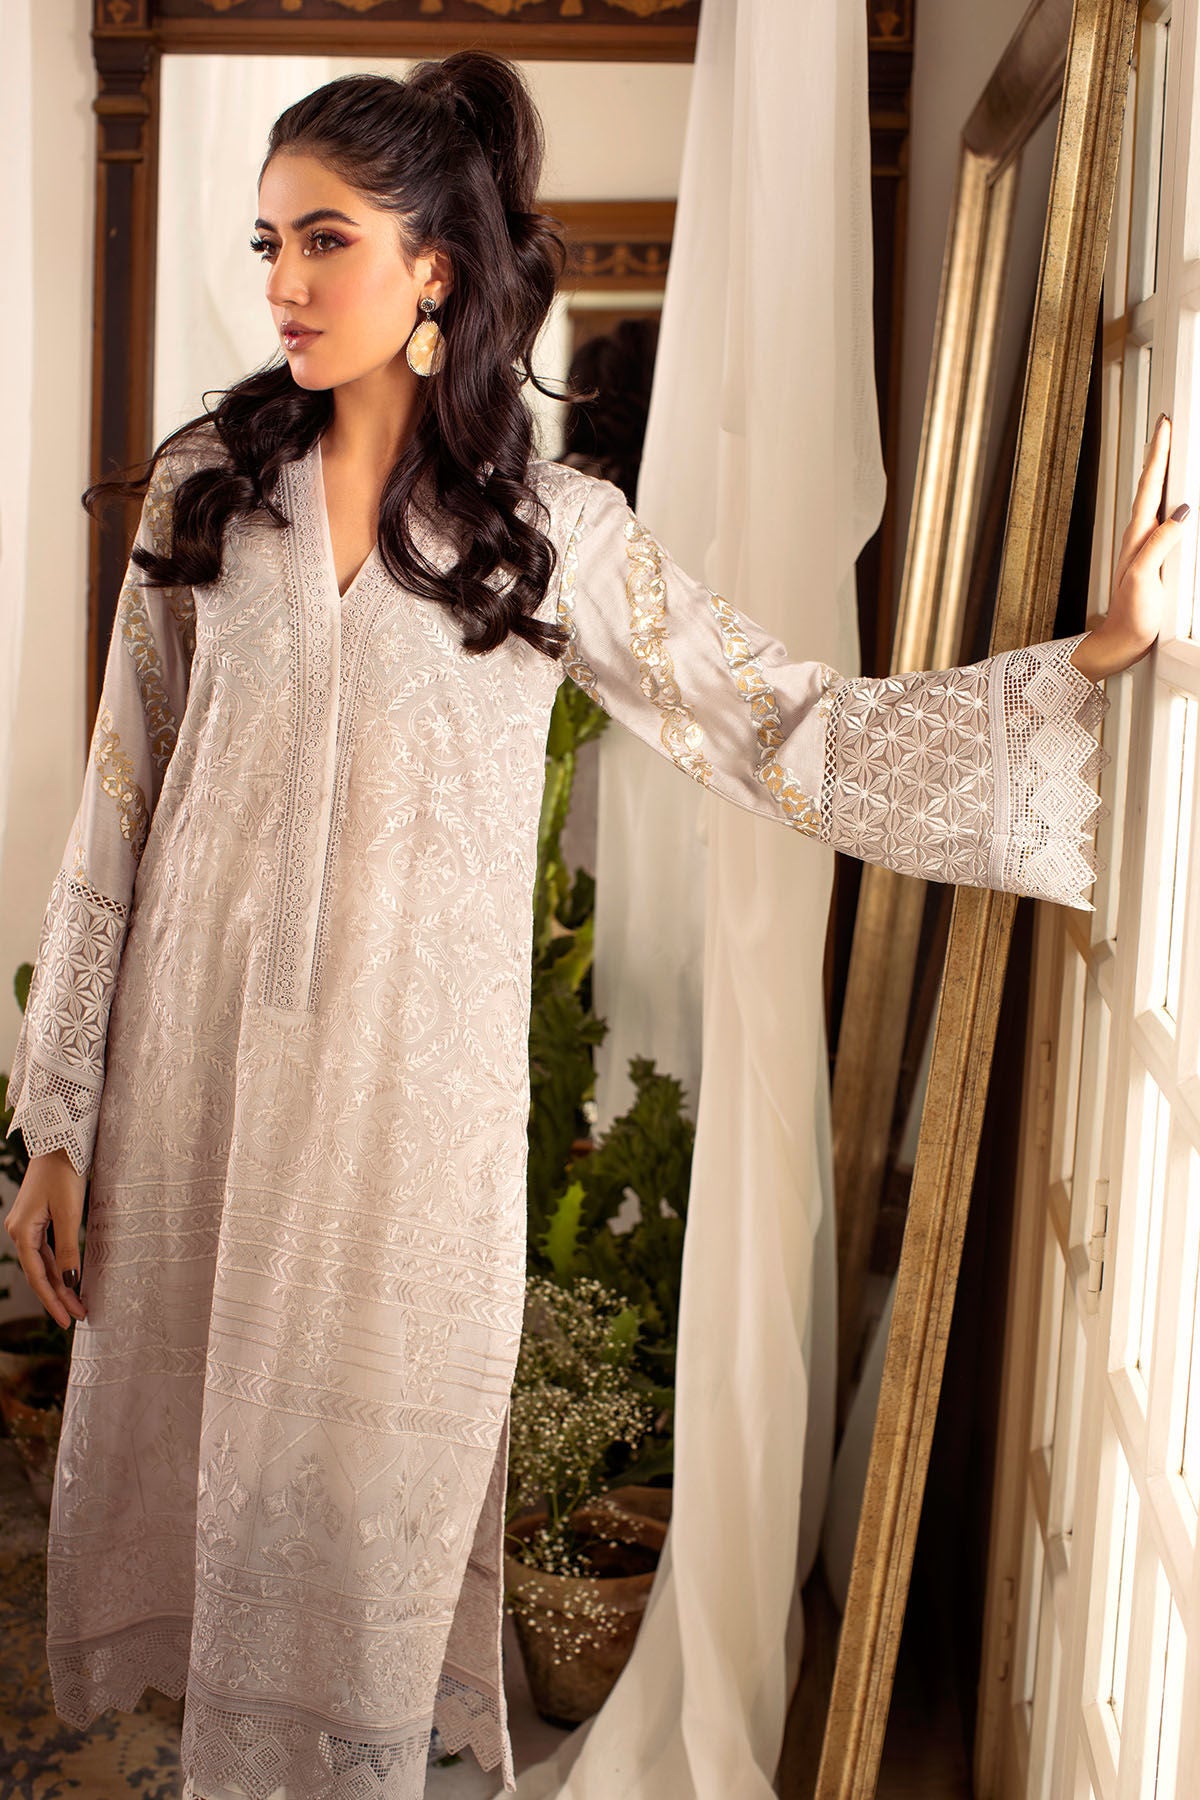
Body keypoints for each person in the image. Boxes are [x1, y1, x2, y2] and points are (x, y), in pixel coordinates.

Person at [1, 50, 1184, 1800]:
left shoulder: (550, 538)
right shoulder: (208, 493)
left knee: (360, 1555)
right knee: (207, 1517)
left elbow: (782, 728)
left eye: (325, 241)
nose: (283, 284)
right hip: (200, 1102)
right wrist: (60, 1123)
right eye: (268, 244)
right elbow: (117, 811)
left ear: (435, 269)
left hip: (411, 1139)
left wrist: (1090, 656)